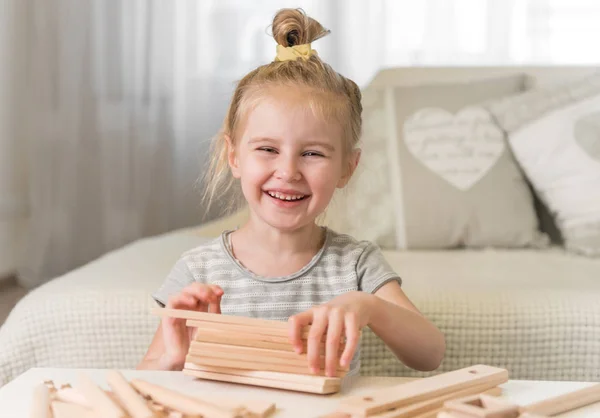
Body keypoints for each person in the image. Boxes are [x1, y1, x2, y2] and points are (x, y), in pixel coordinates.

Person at [138, 8, 445, 377]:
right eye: (267, 149)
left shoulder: (356, 264)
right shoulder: (198, 270)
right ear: (234, 156)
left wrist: (370, 307)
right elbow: (149, 375)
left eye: (312, 154)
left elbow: (429, 354)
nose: (287, 172)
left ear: (347, 167)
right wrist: (175, 358)